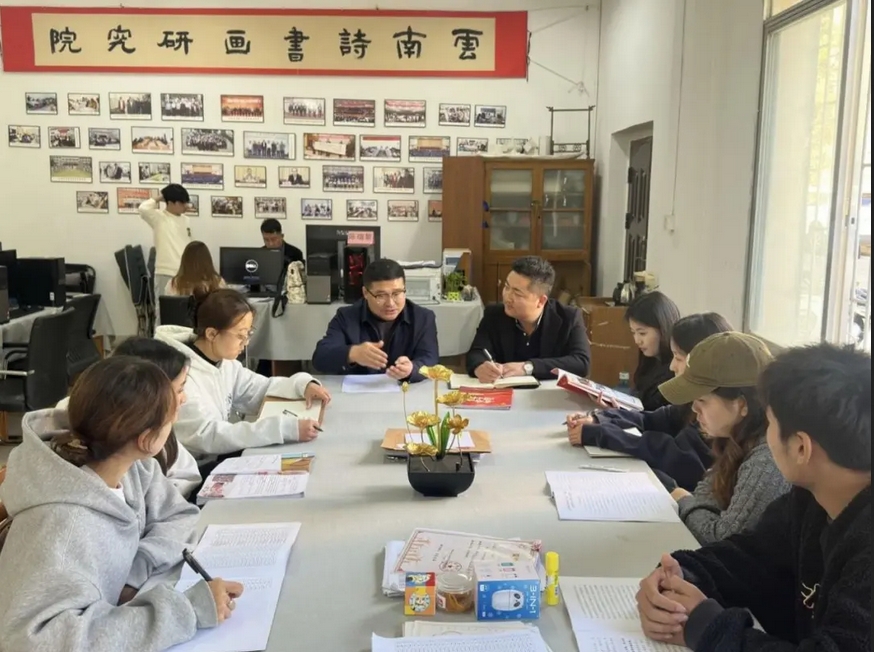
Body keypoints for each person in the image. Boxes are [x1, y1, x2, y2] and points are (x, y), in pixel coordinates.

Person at [636, 344, 871, 652]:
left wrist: (707, 627)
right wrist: (681, 575)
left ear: (801, 448)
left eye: (770, 423)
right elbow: (747, 557)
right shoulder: (810, 501)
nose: (765, 435)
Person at [0, 357, 243, 651]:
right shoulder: (63, 531)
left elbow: (179, 514)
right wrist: (188, 609)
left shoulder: (132, 467)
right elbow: (32, 643)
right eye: (171, 415)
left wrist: (136, 570)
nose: (181, 409)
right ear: (146, 439)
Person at [155, 289, 332, 461]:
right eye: (240, 336)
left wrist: (303, 385)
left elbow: (259, 388)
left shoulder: (224, 362)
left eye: (248, 334)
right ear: (211, 334)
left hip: (215, 455)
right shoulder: (181, 376)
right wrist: (282, 429)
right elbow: (209, 435)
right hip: (193, 467)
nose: (245, 343)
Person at [566, 313, 733, 491]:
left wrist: (602, 434)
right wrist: (599, 419)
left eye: (678, 358)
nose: (672, 366)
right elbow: (652, 419)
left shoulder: (717, 411)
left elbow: (673, 455)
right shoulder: (690, 399)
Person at [655, 332, 789, 544]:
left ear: (742, 404)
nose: (694, 409)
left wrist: (684, 500)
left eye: (702, 400)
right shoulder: (735, 437)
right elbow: (706, 496)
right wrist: (691, 502)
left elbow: (723, 539)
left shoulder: (766, 460)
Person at [55, 337, 202, 498]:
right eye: (179, 389)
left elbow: (185, 474)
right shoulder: (123, 451)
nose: (184, 398)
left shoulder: (141, 461)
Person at [465, 256, 591, 382]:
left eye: (517, 293)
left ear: (541, 301)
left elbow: (581, 363)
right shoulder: (494, 314)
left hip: (548, 392)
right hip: (506, 390)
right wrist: (480, 367)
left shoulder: (568, 317)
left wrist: (527, 367)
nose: (507, 297)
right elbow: (477, 352)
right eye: (507, 287)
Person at [311, 258, 438, 382]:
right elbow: (320, 357)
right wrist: (353, 353)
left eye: (397, 293)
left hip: (404, 391)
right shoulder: (346, 317)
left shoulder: (423, 318)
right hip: (359, 391)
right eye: (381, 295)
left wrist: (412, 369)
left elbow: (430, 359)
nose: (390, 303)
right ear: (365, 293)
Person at [623, 291, 681, 411]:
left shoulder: (677, 369)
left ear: (663, 329)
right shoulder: (650, 361)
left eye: (642, 333)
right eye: (633, 332)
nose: (637, 341)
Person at [139, 184, 192, 299]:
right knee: (163, 307)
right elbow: (143, 208)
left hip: (185, 273)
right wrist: (161, 196)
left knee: (186, 306)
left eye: (186, 202)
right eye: (182, 203)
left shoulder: (186, 220)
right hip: (166, 272)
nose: (186, 206)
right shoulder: (159, 217)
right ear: (171, 203)